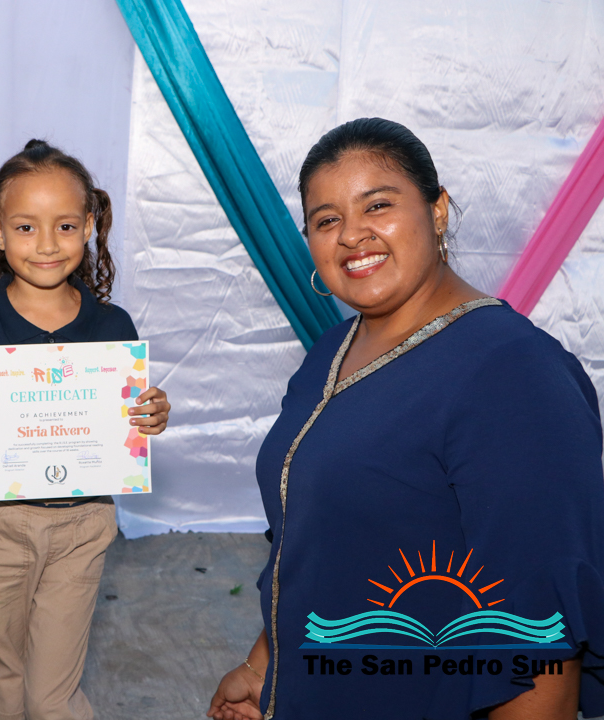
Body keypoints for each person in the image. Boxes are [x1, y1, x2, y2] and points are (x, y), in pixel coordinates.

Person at [208, 118, 604, 720]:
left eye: (378, 205)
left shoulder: (514, 373)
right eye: (327, 220)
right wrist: (264, 668)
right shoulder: (331, 351)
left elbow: (540, 626)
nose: (352, 235)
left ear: (437, 209)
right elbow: (320, 541)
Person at [0, 140, 171, 720]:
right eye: (25, 227)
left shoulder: (113, 326)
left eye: (64, 225)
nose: (46, 244)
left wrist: (152, 414)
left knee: (51, 695)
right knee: (2, 679)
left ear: (88, 226)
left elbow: (130, 416)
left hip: (83, 525)